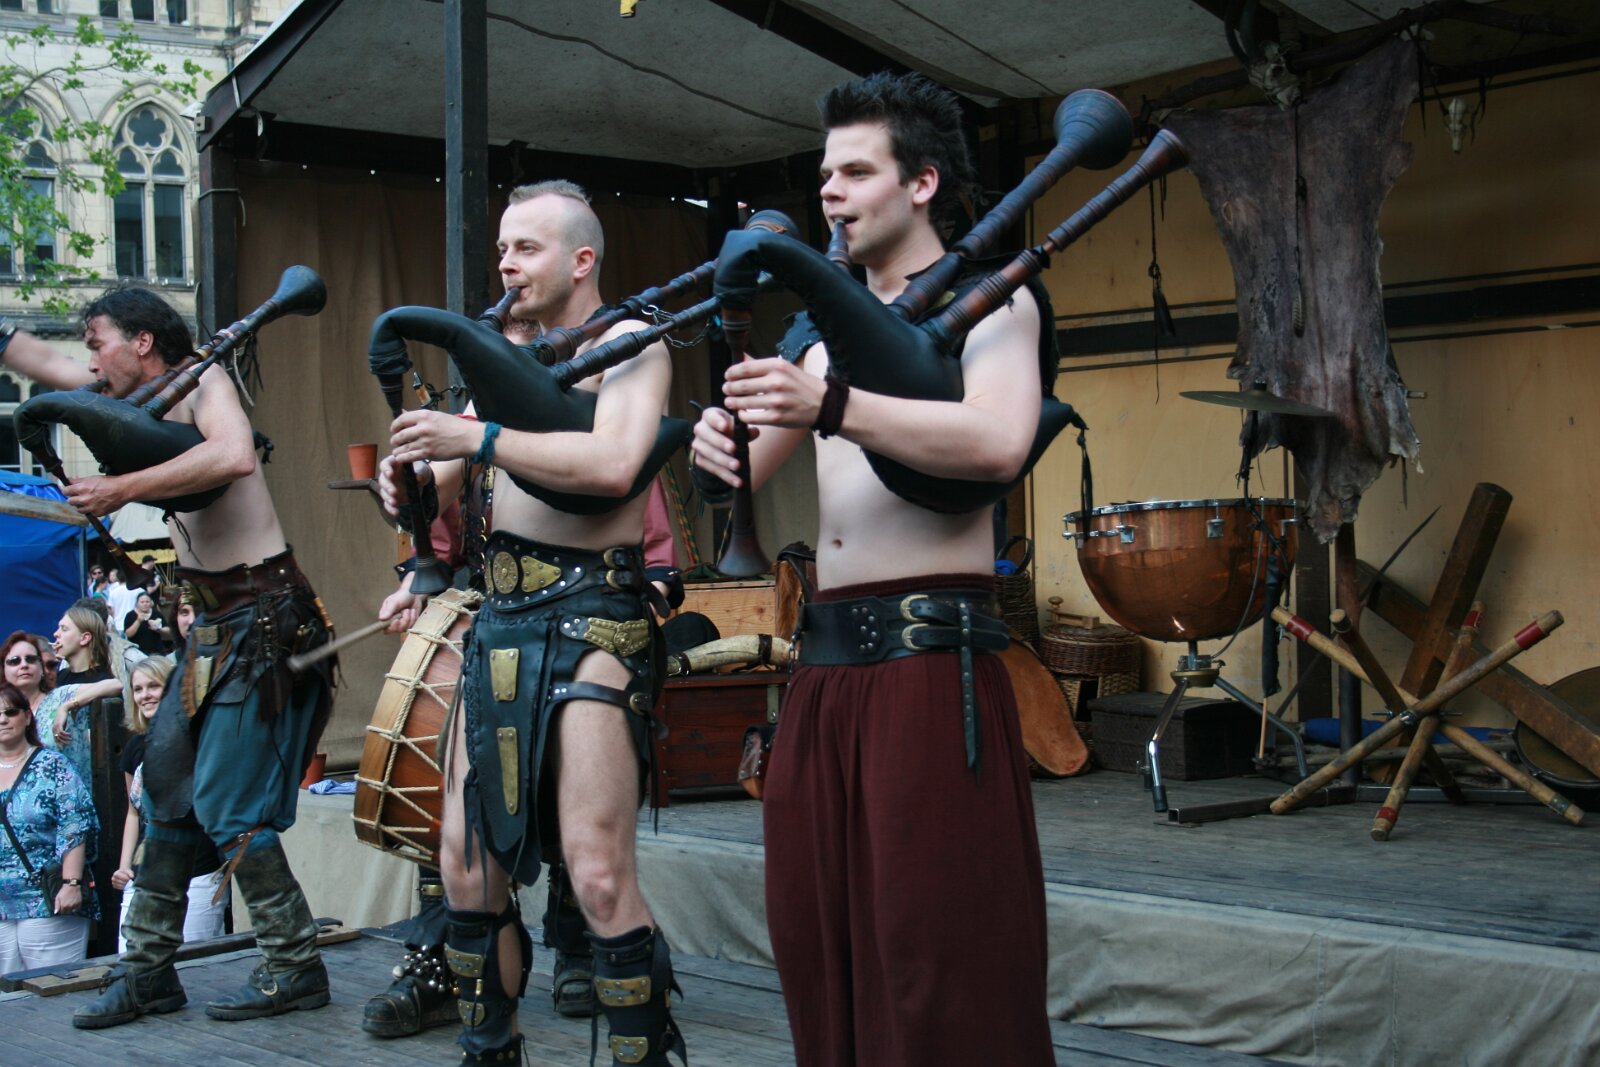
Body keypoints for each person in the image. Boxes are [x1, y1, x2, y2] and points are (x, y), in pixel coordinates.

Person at [689, 71, 1055, 1065]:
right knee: (821, 941)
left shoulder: (994, 299)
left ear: (922, 182)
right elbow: (748, 462)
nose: (830, 191)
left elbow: (996, 442)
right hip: (825, 672)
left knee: (939, 957)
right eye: (825, 174)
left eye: (855, 171)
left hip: (930, 668)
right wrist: (718, 446)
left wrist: (835, 407)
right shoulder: (819, 330)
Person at [379, 179, 685, 1065]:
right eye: (503, 250)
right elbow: (435, 491)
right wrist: (406, 483)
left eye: (526, 248)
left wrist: (474, 439)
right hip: (503, 620)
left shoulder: (633, 343)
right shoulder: (502, 359)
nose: (506, 264)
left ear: (582, 260)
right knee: (465, 866)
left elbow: (616, 463)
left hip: (595, 617)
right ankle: (491, 1049)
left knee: (596, 872)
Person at [0, 288, 335, 1028]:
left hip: (265, 621)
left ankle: (295, 963)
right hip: (213, 629)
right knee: (165, 792)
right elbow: (46, 362)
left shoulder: (204, 381)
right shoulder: (138, 399)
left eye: (99, 342)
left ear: (143, 341)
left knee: (230, 804)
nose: (91, 359)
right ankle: (148, 972)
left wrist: (119, 488)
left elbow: (234, 455)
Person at [112, 658, 227, 951]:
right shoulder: (135, 746)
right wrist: (124, 866)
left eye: (153, 686)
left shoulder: (199, 739)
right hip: (143, 875)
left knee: (194, 964)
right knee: (130, 961)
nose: (145, 695)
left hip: (197, 874)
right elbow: (133, 813)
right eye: (138, 689)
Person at [0, 683, 98, 976]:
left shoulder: (52, 764)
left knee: (53, 988)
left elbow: (75, 823)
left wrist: (71, 884)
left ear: (27, 716)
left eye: (10, 712)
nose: (2, 719)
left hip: (47, 897)